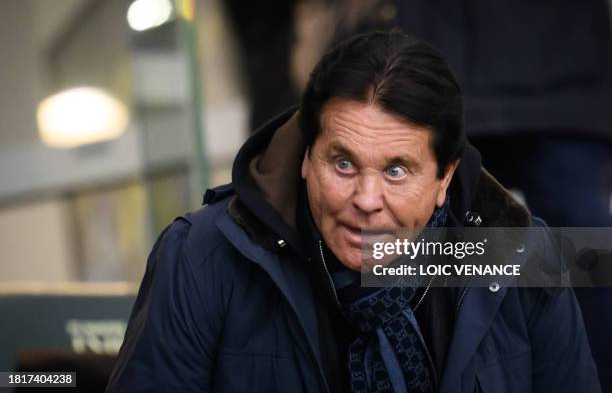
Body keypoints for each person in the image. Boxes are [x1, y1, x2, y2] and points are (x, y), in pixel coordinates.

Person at [106, 30, 600, 392]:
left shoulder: (526, 261)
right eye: (342, 163)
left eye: (396, 171)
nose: (365, 199)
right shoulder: (201, 255)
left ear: (443, 179)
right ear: (306, 156)